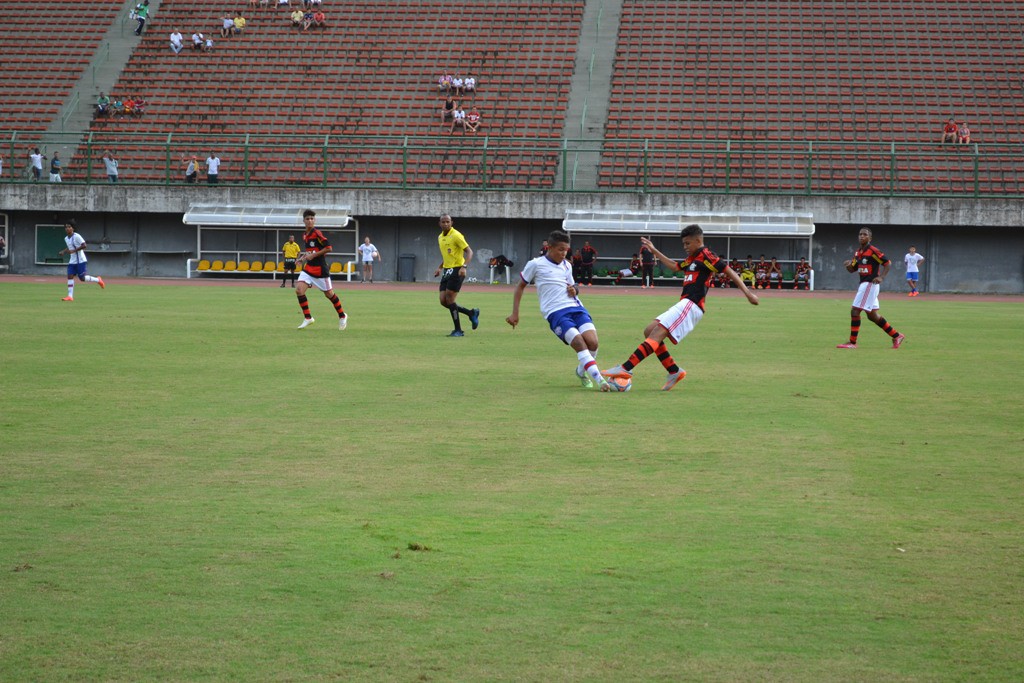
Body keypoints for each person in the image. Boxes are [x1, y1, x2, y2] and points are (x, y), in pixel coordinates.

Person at [602, 226, 759, 391]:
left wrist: (748, 294)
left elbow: (729, 272)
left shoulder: (707, 256)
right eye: (683, 244)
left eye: (687, 243)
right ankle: (674, 371)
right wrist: (654, 250)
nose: (685, 247)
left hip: (692, 304)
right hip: (685, 303)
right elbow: (675, 267)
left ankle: (626, 367)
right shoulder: (691, 258)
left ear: (698, 241)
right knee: (649, 330)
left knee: (656, 333)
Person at [506, 230, 612, 392]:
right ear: (550, 247)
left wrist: (575, 290)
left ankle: (580, 371)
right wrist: (515, 313)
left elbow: (574, 286)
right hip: (555, 312)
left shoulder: (567, 265)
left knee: (593, 343)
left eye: (566, 250)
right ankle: (600, 380)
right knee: (578, 343)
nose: (564, 253)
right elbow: (520, 286)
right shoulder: (535, 264)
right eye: (560, 249)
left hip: (576, 308)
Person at [837, 227, 906, 349]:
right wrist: (847, 265)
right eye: (860, 234)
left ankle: (852, 343)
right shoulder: (858, 253)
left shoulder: (873, 250)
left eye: (864, 234)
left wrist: (881, 277)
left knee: (855, 311)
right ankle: (897, 335)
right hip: (865, 284)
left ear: (870, 238)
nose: (861, 236)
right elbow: (852, 269)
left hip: (869, 284)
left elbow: (887, 263)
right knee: (872, 315)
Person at [294, 209, 348, 330]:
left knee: (329, 294)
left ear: (315, 220)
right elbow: (309, 251)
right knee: (299, 290)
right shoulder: (305, 235)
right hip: (308, 269)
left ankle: (342, 315)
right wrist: (302, 258)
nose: (310, 221)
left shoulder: (317, 233)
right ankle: (308, 318)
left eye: (312, 219)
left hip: (320, 270)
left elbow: (329, 248)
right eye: (307, 219)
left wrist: (313, 255)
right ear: (303, 220)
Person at [434, 213, 479, 337]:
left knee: (450, 298)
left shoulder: (456, 235)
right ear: (440, 223)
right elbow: (447, 256)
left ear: (451, 222)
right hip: (447, 270)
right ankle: (471, 313)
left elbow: (470, 252)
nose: (446, 224)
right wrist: (439, 268)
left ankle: (458, 330)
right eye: (443, 222)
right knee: (443, 301)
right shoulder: (440, 237)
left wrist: (464, 266)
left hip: (458, 269)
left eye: (448, 222)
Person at [58, 219, 106, 301]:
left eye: (69, 227)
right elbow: (70, 247)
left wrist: (74, 250)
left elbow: (84, 245)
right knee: (70, 276)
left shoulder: (77, 236)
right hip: (72, 261)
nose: (67, 228)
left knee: (82, 278)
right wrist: (64, 251)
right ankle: (70, 296)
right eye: (66, 227)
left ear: (73, 228)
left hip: (80, 260)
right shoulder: (66, 238)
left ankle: (98, 280)